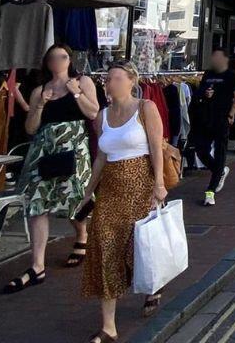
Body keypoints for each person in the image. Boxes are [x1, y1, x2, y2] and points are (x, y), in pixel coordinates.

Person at [81, 60, 166, 342]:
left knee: (138, 249)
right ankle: (108, 327)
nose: (110, 83)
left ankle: (152, 287)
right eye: (108, 79)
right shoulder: (102, 117)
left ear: (132, 81)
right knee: (105, 248)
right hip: (110, 191)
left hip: (140, 186)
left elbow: (156, 148)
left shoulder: (146, 108)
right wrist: (87, 191)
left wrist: (159, 184)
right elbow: (101, 157)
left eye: (116, 78)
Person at [5, 44, 100, 293]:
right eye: (53, 58)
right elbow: (30, 128)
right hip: (44, 150)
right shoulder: (40, 90)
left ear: (70, 60)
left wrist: (77, 93)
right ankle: (37, 265)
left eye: (63, 57)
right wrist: (39, 105)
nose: (58, 62)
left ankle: (82, 235)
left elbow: (93, 113)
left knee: (75, 198)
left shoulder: (83, 81)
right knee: (38, 203)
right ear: (47, 63)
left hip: (74, 148)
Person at [191, 48, 235, 207]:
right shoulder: (208, 74)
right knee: (201, 151)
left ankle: (210, 193)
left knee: (220, 154)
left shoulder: (231, 75)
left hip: (222, 120)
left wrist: (231, 114)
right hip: (206, 119)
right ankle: (220, 171)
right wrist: (206, 94)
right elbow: (199, 93)